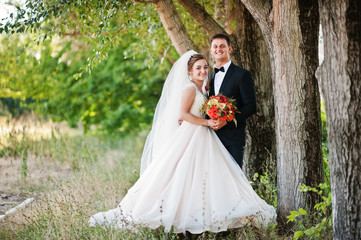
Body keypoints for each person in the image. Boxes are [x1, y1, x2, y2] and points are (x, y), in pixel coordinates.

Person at [89, 50, 275, 234]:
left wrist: (215, 116)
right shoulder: (189, 88)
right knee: (180, 174)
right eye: (198, 68)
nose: (202, 71)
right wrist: (207, 122)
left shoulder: (204, 88)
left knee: (206, 175)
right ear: (190, 72)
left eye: (204, 67)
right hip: (192, 134)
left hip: (203, 135)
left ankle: (204, 211)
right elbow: (183, 114)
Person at [209, 33, 257, 169]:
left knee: (234, 179)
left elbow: (251, 106)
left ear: (229, 49)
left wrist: (227, 120)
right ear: (211, 50)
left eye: (222, 46)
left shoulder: (242, 74)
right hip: (211, 138)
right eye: (215, 47)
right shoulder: (210, 77)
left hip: (233, 139)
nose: (219, 49)